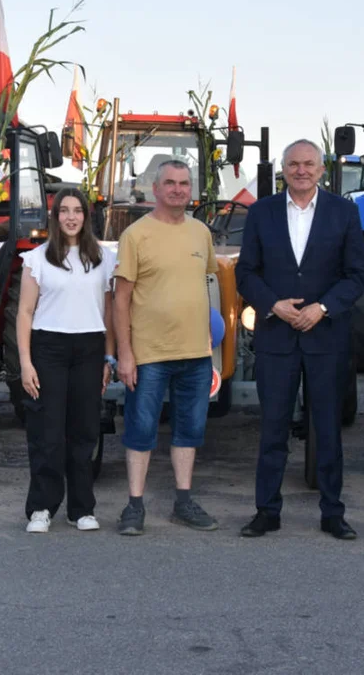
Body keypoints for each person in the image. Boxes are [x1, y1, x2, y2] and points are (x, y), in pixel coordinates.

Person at [234, 139, 364, 540]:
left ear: (322, 168)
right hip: (276, 336)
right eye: (293, 164)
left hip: (325, 337)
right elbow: (246, 273)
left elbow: (358, 275)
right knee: (273, 427)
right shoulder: (262, 213)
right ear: (283, 169)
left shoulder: (344, 213)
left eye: (309, 163)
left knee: (326, 428)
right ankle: (266, 511)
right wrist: (274, 305)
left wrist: (321, 308)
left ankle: (333, 513)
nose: (301, 170)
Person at [113, 160, 219, 536]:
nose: (178, 190)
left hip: (195, 354)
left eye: (184, 184)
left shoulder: (200, 234)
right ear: (155, 189)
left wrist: (209, 339)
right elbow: (121, 299)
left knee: (189, 430)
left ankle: (183, 502)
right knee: (141, 430)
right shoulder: (136, 236)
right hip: (149, 354)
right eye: (170, 183)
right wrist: (125, 354)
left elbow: (203, 286)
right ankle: (134, 506)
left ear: (192, 190)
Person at [17, 188, 116, 533]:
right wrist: (26, 363)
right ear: (55, 216)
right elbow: (25, 312)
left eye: (77, 211)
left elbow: (108, 312)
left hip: (89, 349)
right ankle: (41, 507)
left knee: (85, 431)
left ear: (86, 217)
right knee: (48, 431)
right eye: (64, 211)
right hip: (49, 349)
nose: (71, 217)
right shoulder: (38, 259)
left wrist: (108, 357)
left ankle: (82, 509)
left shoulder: (103, 259)